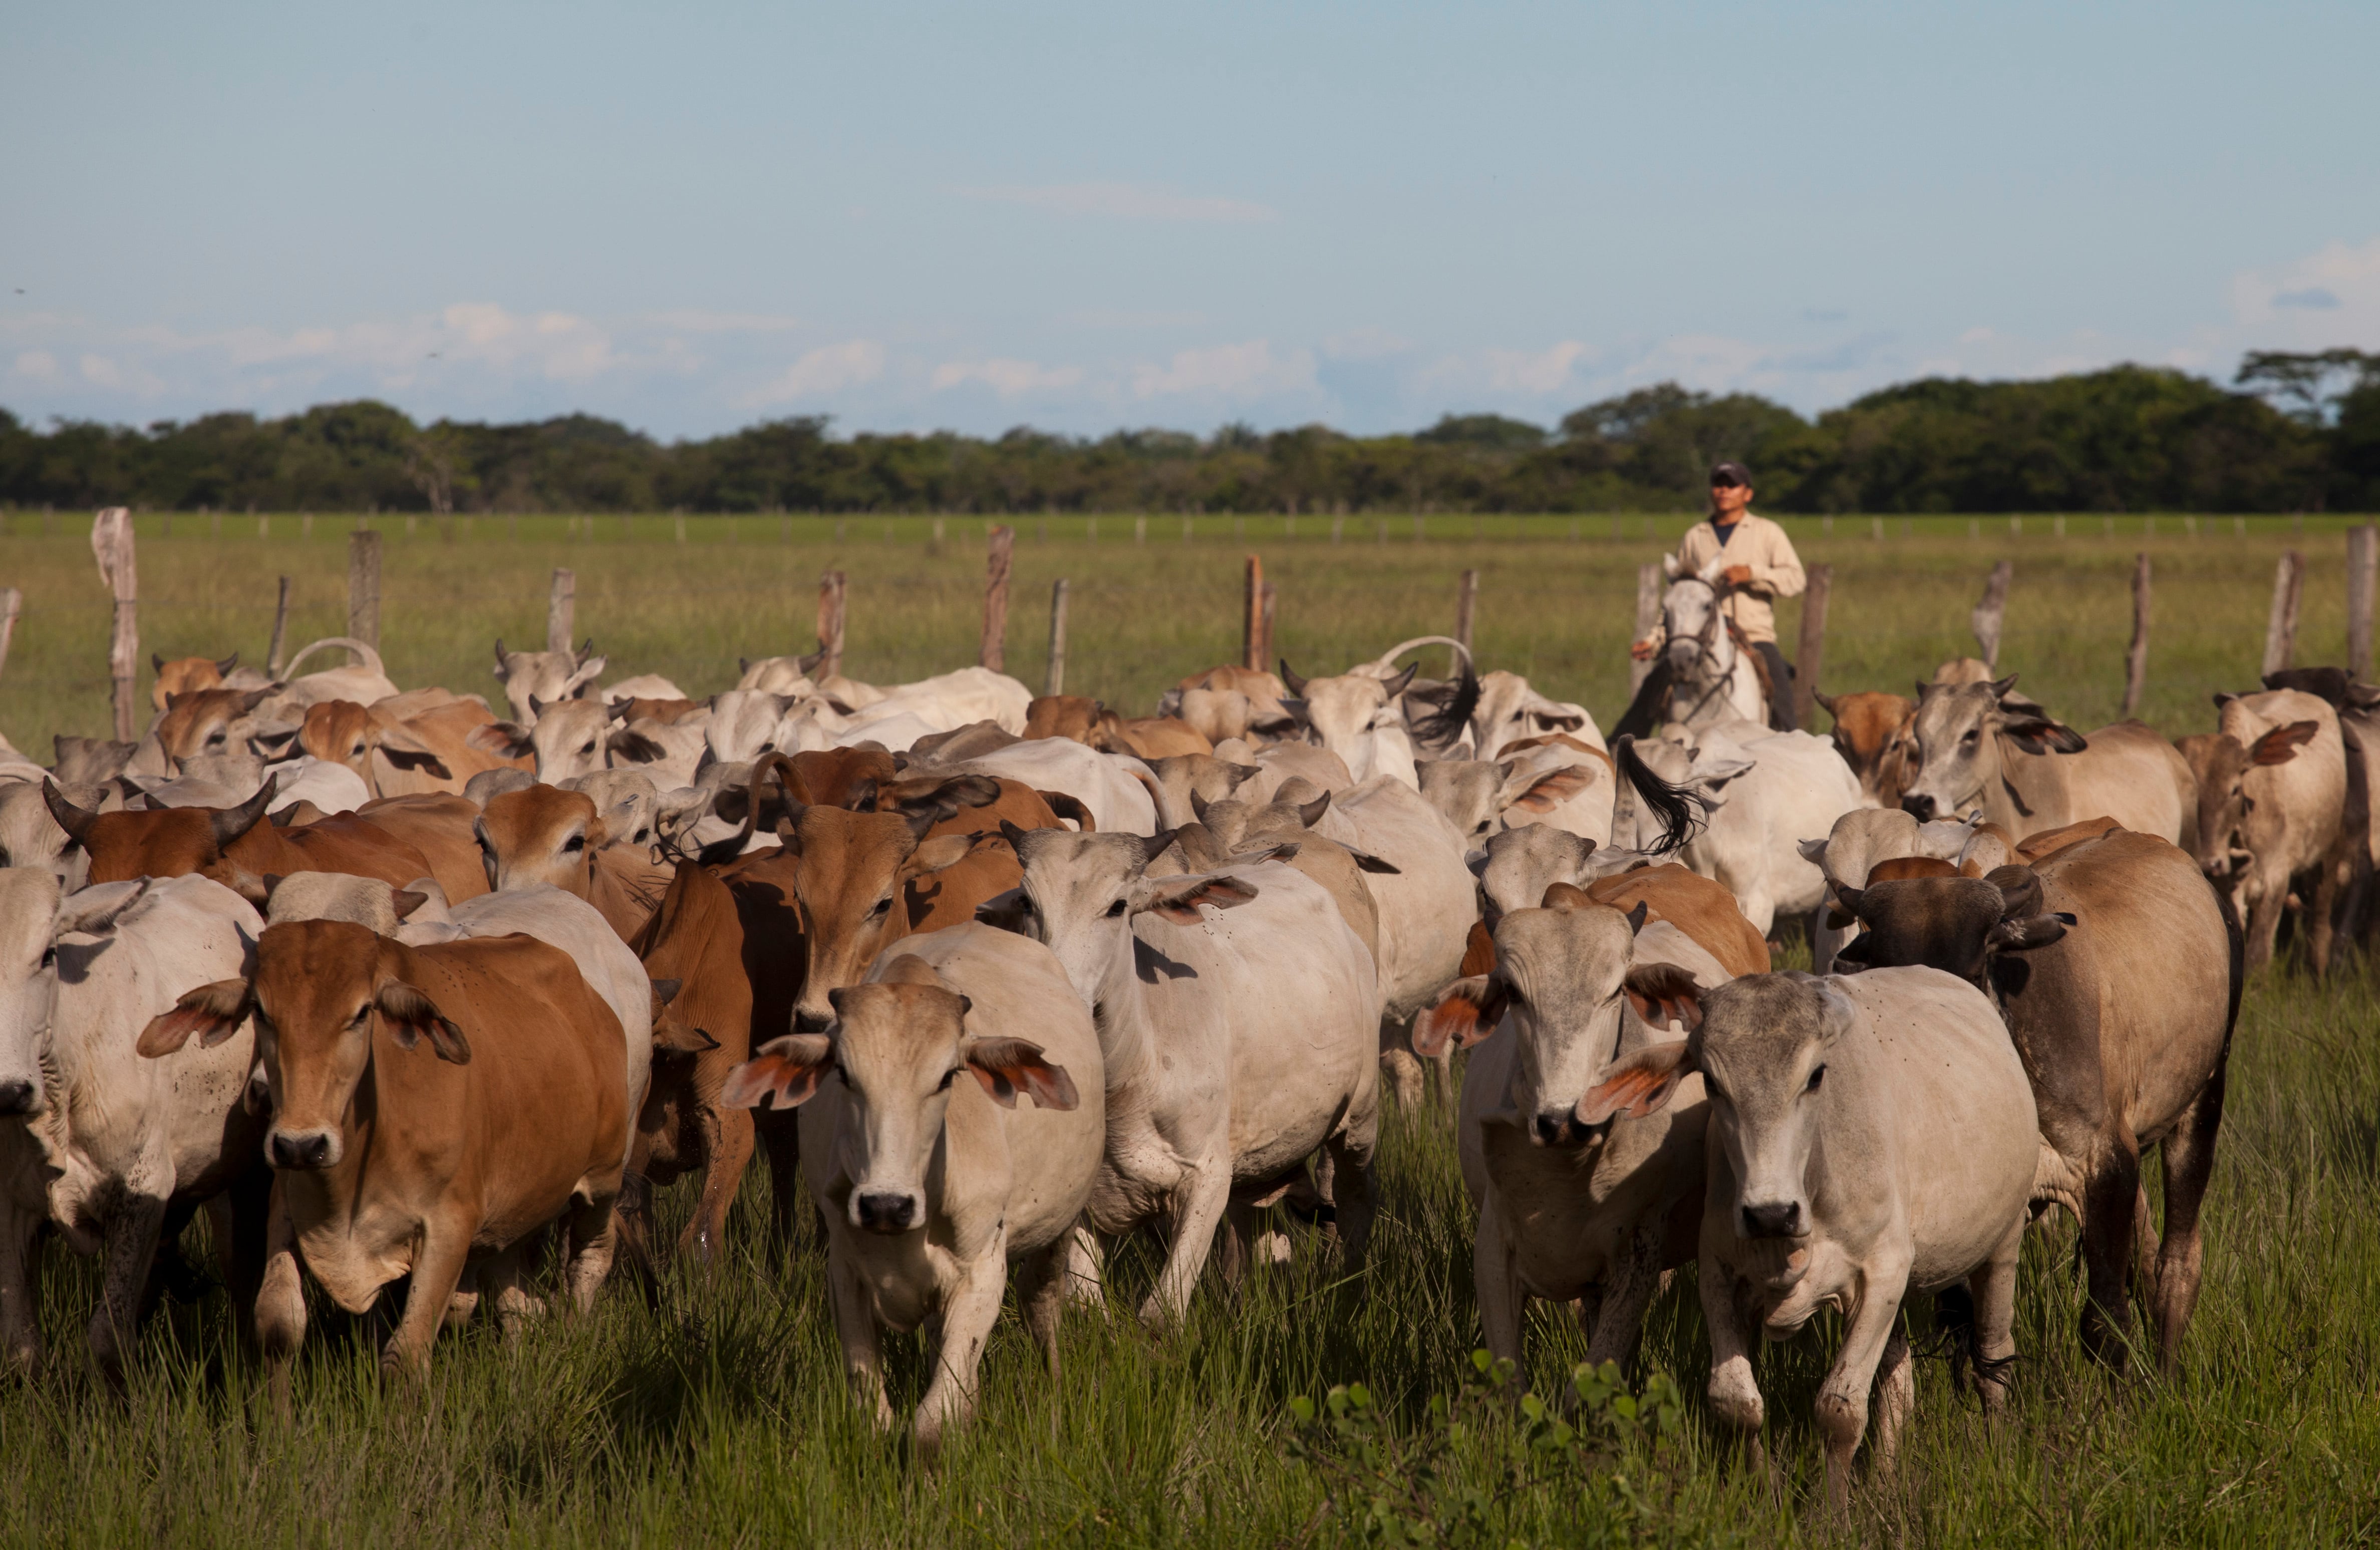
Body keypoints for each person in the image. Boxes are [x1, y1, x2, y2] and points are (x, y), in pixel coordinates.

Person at [1619, 461, 1806, 734]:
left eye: (1732, 485)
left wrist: (1752, 573)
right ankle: (1622, 751)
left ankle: (1791, 749)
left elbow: (1795, 579)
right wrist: (1655, 640)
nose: (1724, 491)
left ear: (1747, 494)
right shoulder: (1695, 537)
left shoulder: (1767, 532)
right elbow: (1679, 598)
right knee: (1653, 687)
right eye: (1719, 485)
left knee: (1779, 689)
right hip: (1696, 635)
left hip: (1754, 634)